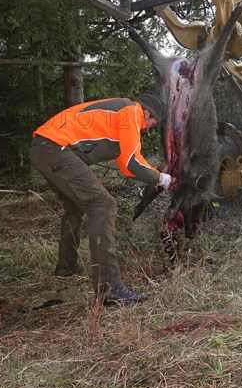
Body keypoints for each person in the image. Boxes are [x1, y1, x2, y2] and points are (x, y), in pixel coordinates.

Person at [29, 94, 173, 305]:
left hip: (43, 147)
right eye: (153, 122)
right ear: (147, 112)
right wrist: (161, 178)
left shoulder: (122, 113)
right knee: (103, 204)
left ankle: (66, 266)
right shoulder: (130, 112)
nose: (150, 128)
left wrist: (156, 175)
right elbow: (132, 162)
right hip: (55, 148)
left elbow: (127, 162)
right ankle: (109, 288)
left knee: (76, 205)